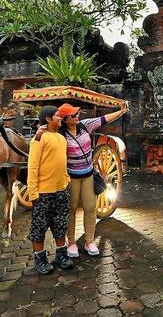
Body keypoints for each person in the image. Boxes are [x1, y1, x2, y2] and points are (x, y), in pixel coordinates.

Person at [57, 101, 128, 258]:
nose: (77, 116)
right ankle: (72, 242)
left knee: (90, 207)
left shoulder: (84, 125)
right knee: (71, 209)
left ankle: (89, 241)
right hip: (71, 177)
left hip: (88, 174)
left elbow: (103, 119)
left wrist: (121, 111)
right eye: (73, 115)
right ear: (65, 119)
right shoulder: (60, 134)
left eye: (76, 114)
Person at [27, 105, 73, 274]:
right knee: (39, 227)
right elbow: (32, 167)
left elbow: (63, 163)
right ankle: (40, 258)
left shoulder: (61, 138)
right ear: (47, 119)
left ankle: (61, 255)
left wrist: (67, 181)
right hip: (43, 192)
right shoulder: (39, 139)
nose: (60, 118)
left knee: (60, 223)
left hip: (61, 190)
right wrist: (33, 192)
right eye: (57, 116)